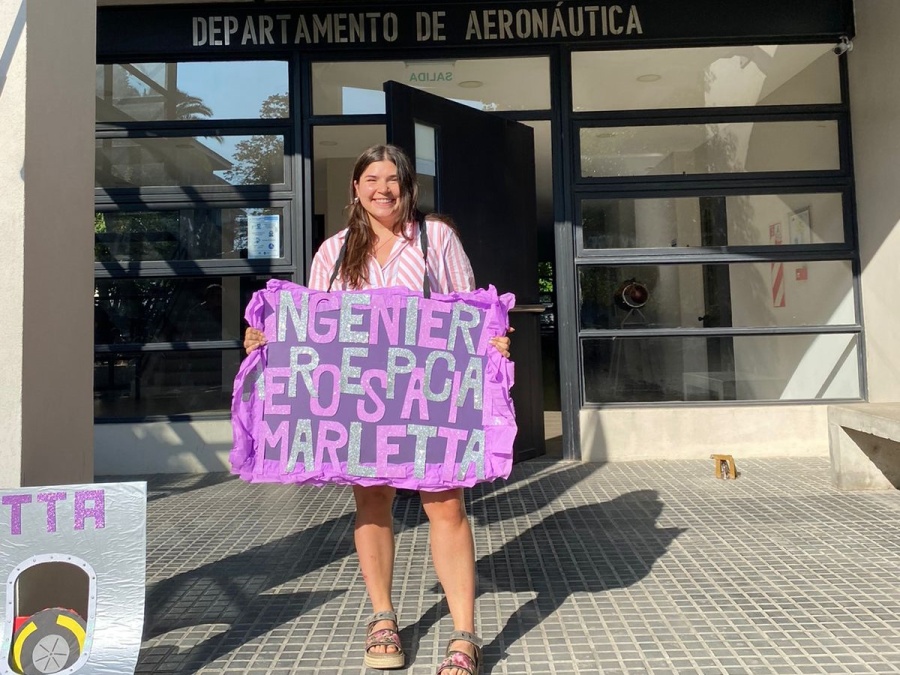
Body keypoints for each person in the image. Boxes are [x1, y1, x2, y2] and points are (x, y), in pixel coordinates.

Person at [244, 144, 511, 675]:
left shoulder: (437, 240)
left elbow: (471, 311)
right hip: (360, 402)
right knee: (371, 500)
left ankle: (464, 635)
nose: (382, 188)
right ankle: (383, 618)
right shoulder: (334, 253)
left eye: (392, 179)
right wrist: (267, 338)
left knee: (447, 505)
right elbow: (310, 328)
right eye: (371, 178)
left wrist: (493, 341)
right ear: (355, 187)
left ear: (406, 186)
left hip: (429, 398)